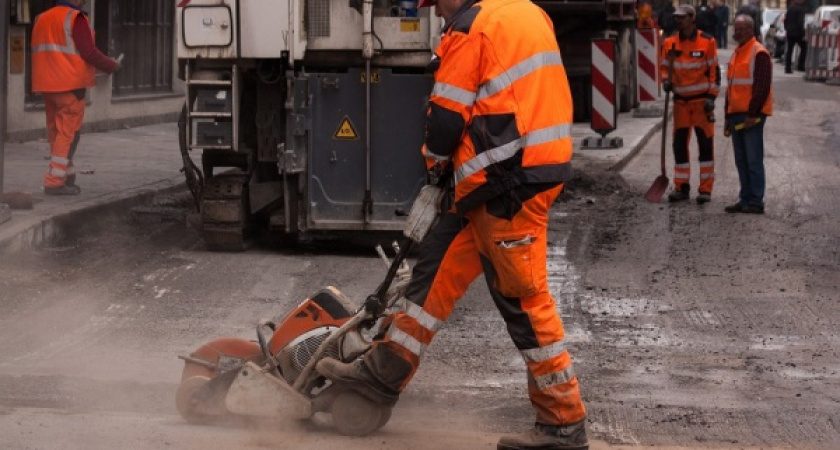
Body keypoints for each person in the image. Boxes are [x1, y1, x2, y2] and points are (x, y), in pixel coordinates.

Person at [315, 0, 588, 448]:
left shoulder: (470, 28)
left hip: (507, 184)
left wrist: (434, 169)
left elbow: (445, 120)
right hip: (504, 178)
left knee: (523, 301)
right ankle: (380, 377)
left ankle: (563, 423)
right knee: (432, 275)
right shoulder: (528, 12)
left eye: (435, 3)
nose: (436, 12)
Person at [30, 0, 121, 196]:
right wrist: (111, 65)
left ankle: (66, 175)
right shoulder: (76, 18)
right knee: (68, 135)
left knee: (56, 132)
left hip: (47, 84)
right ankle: (54, 181)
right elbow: (89, 52)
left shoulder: (42, 18)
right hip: (70, 85)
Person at [659, 5, 720, 204]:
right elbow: (664, 67)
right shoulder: (669, 43)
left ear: (692, 19)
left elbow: (714, 72)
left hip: (702, 102)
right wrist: (665, 80)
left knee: (705, 146)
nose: (678, 21)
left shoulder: (707, 41)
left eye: (682, 17)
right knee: (679, 145)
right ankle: (682, 187)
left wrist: (712, 96)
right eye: (676, 17)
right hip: (680, 103)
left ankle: (705, 190)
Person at [724, 14, 773, 214]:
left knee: (753, 159)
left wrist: (752, 114)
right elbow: (732, 87)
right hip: (736, 114)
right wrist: (727, 116)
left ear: (751, 30)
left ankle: (755, 201)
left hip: (751, 115)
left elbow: (761, 86)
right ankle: (745, 199)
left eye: (742, 28)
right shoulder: (737, 53)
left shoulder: (758, 52)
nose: (738, 32)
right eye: (736, 28)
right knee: (742, 161)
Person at [783, 0, 808, 73]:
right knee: (804, 47)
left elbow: (785, 20)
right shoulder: (801, 10)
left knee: (789, 50)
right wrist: (803, 33)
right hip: (798, 33)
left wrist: (787, 28)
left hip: (790, 32)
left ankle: (788, 68)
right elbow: (800, 22)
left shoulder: (790, 9)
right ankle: (801, 65)